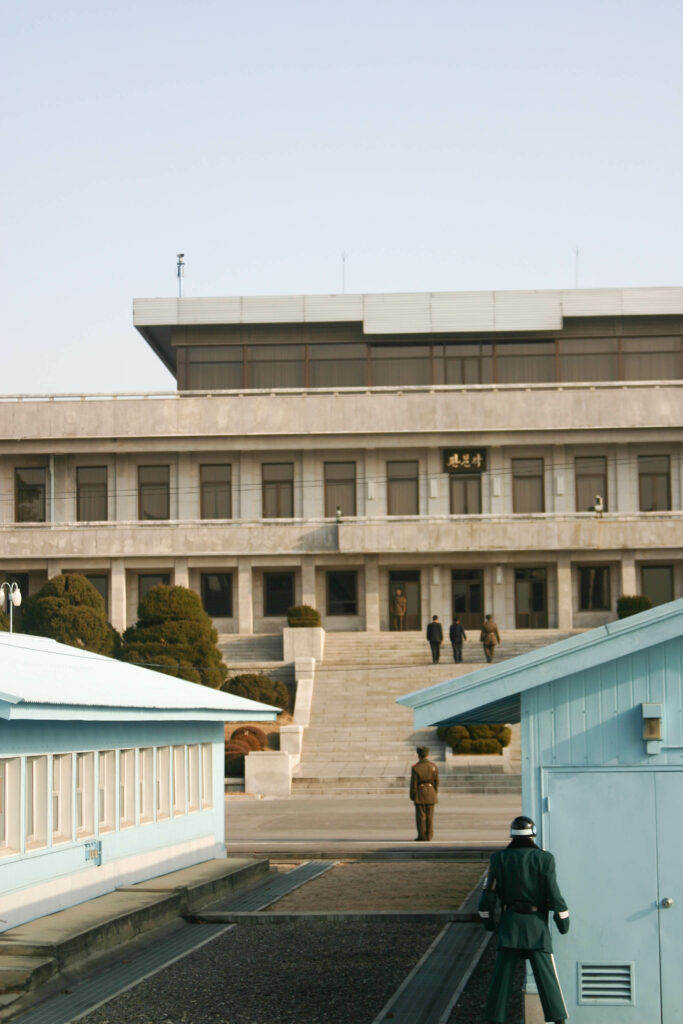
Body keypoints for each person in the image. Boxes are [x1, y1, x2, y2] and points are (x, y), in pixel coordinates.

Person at [478, 815, 570, 1024]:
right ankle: (559, 1020)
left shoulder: (498, 859)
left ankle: (495, 1019)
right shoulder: (545, 859)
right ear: (533, 834)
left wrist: (490, 924)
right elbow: (554, 894)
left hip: (510, 927)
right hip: (536, 927)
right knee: (548, 981)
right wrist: (563, 921)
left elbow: (487, 899)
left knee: (500, 984)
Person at [409, 746, 439, 841]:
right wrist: (434, 793)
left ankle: (421, 836)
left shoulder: (416, 768)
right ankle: (429, 835)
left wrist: (413, 795)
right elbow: (436, 782)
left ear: (418, 755)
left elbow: (413, 783)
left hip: (420, 793)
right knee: (430, 816)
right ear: (427, 755)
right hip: (431, 792)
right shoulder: (433, 766)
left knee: (421, 816)